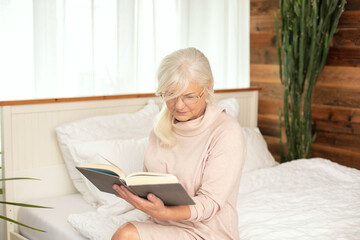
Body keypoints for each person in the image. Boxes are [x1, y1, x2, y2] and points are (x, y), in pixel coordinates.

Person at [111, 47, 245, 240]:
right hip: (162, 225)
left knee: (127, 234)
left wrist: (163, 213)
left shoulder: (225, 131)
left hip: (207, 232)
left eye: (189, 96)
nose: (179, 105)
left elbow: (209, 203)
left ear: (208, 86)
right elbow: (149, 185)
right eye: (171, 96)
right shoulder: (159, 130)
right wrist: (132, 195)